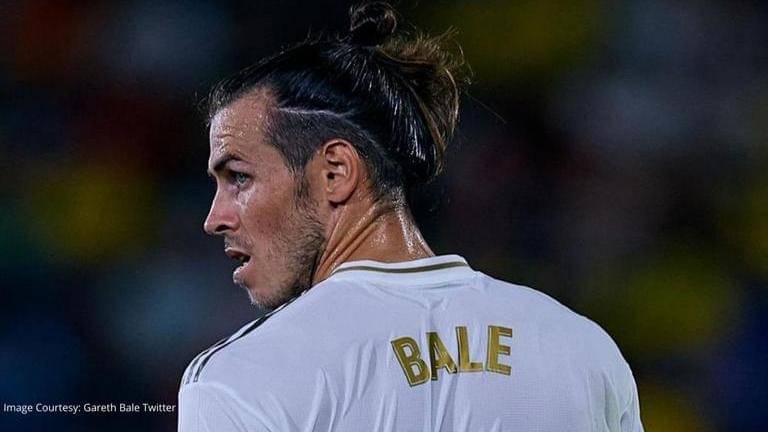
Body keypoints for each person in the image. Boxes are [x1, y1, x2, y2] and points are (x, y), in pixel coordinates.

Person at [178, 2, 643, 431]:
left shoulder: (241, 380)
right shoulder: (582, 349)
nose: (214, 219)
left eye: (238, 177)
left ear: (335, 173)